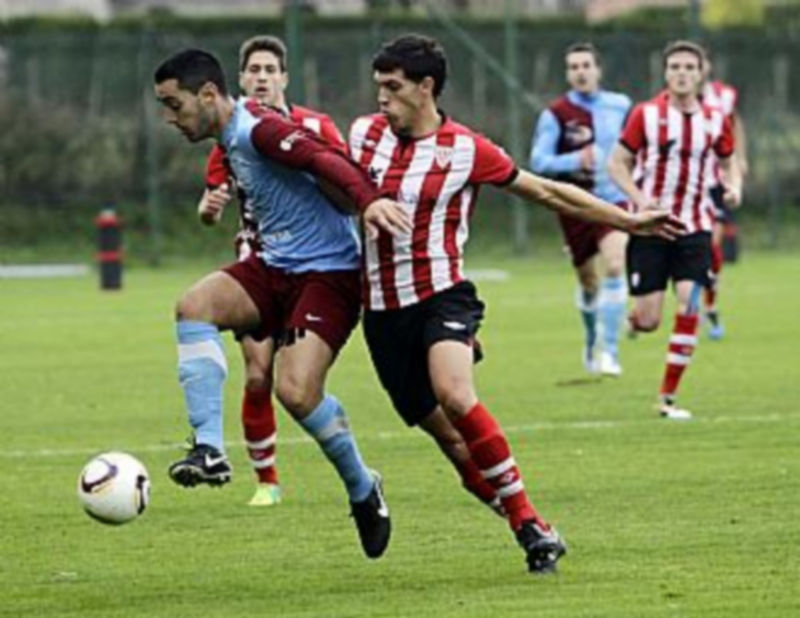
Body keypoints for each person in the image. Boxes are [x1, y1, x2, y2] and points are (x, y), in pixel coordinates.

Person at [348, 34, 683, 573]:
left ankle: (528, 524)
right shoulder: (364, 135)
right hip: (383, 315)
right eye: (378, 86)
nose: (381, 97)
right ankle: (530, 527)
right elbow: (330, 181)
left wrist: (626, 219)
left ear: (425, 87)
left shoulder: (467, 149)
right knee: (458, 451)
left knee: (456, 394)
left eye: (393, 86)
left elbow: (547, 190)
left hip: (443, 297)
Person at [153, 48, 410, 558]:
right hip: (273, 268)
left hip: (328, 274)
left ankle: (363, 487)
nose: (169, 117)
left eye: (174, 104)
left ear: (208, 95)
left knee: (295, 392)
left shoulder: (258, 131)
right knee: (193, 307)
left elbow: (325, 159)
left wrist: (369, 200)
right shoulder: (228, 140)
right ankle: (209, 449)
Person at [197, 35, 347, 507]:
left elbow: (347, 181)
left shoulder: (316, 127)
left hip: (321, 266)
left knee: (298, 385)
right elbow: (210, 206)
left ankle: (353, 469)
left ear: (284, 77)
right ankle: (267, 480)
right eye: (253, 70)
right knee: (258, 374)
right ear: (240, 80)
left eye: (269, 70)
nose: (261, 78)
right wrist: (209, 206)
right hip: (260, 263)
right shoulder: (230, 133)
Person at [608, 40, 741, 421]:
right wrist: (639, 199)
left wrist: (732, 187)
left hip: (695, 226)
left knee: (690, 302)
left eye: (689, 67)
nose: (682, 73)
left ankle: (667, 397)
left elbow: (729, 162)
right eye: (675, 67)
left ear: (701, 74)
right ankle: (632, 318)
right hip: (651, 227)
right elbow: (617, 163)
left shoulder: (716, 119)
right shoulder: (645, 115)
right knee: (649, 320)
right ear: (665, 73)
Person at [530, 42, 632, 376]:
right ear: (568, 73)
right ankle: (591, 339)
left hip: (613, 199)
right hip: (575, 203)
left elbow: (638, 148)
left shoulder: (620, 106)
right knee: (589, 281)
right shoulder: (556, 114)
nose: (580, 71)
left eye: (586, 65)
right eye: (573, 67)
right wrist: (576, 159)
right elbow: (539, 161)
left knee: (616, 264)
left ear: (598, 69)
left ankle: (611, 352)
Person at [698, 50, 748, 340]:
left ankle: (709, 305)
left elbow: (735, 125)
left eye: (698, 64)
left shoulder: (723, 96)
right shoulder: (669, 102)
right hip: (686, 184)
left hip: (715, 182)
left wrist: (739, 158)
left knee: (711, 245)